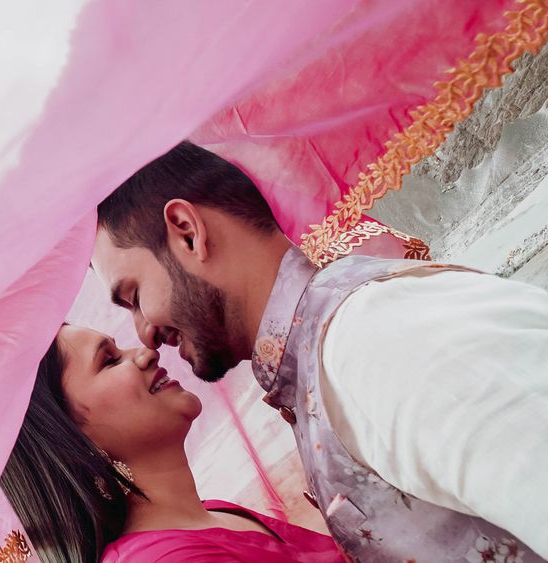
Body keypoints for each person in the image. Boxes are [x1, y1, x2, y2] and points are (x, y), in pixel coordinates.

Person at [89, 140, 548, 561]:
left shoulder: (371, 337)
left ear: (188, 232)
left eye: (133, 297)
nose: (144, 334)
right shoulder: (329, 358)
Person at [0, 324, 345, 563]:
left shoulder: (217, 513)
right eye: (109, 361)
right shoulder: (162, 557)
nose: (145, 353)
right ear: (69, 439)